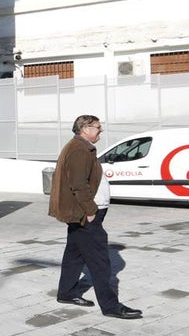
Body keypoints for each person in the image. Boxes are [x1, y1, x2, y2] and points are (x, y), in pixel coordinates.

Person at [48, 115, 142, 319]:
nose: (101, 131)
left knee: (74, 255)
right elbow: (78, 185)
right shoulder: (80, 149)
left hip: (82, 214)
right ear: (85, 128)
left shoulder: (81, 146)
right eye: (98, 128)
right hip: (86, 214)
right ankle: (110, 306)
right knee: (100, 262)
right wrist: (90, 211)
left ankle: (66, 293)